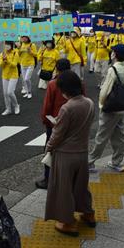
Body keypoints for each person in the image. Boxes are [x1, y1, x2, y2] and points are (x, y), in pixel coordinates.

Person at [44, 70, 95, 237]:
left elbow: (57, 135)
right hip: (82, 152)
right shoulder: (89, 103)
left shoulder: (67, 108)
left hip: (65, 154)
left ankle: (67, 222)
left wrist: (49, 147)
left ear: (64, 90)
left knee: (63, 188)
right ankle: (88, 213)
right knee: (81, 186)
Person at [88, 44, 124, 173]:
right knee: (119, 135)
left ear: (115, 55)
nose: (111, 53)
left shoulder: (113, 69)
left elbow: (106, 89)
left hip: (110, 107)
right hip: (121, 106)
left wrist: (101, 104)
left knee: (102, 135)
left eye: (113, 52)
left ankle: (89, 162)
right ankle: (116, 162)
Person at [35, 59, 72, 189]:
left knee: (50, 150)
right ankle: (67, 177)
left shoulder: (53, 84)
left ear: (57, 69)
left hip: (55, 122)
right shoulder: (78, 82)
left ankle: (48, 178)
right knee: (68, 150)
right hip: (72, 123)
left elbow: (47, 106)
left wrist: (45, 121)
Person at [0, 41, 20, 116]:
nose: (7, 46)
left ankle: (16, 105)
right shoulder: (2, 54)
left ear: (11, 45)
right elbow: (1, 65)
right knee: (5, 94)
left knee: (10, 92)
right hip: (5, 75)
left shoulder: (15, 53)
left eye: (8, 45)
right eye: (5, 45)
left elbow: (14, 65)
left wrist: (7, 60)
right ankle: (8, 109)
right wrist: (4, 61)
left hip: (13, 75)